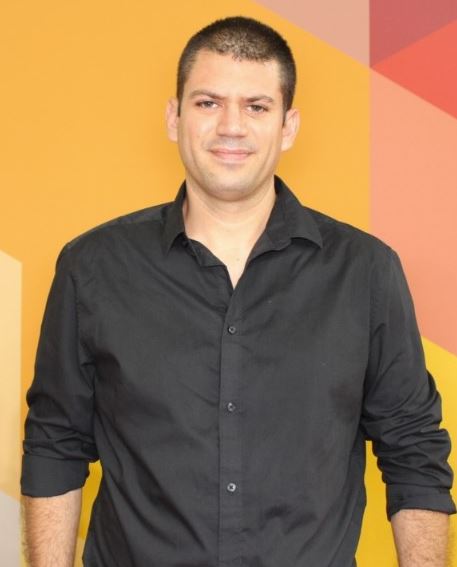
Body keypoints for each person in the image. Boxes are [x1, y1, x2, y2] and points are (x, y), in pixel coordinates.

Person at [21, 16, 455, 567]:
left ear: (288, 126)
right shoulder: (92, 268)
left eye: (256, 106)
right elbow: (55, 444)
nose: (231, 126)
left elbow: (413, 451)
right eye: (208, 103)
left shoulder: (366, 272)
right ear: (174, 118)